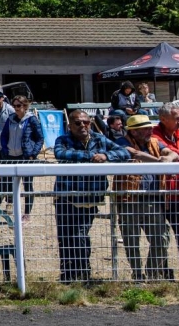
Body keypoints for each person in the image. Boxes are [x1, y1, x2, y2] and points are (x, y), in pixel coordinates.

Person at [53, 110, 131, 283]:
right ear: (70, 126)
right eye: (78, 123)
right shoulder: (63, 140)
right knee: (65, 237)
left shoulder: (99, 139)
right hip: (66, 197)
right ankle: (67, 275)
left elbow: (124, 152)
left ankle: (82, 272)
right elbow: (60, 153)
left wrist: (106, 156)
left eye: (86, 122)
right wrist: (91, 157)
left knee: (80, 234)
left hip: (90, 198)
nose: (83, 126)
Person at [114, 115, 175, 281]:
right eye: (145, 128)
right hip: (129, 200)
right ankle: (137, 275)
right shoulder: (121, 143)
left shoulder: (154, 142)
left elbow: (171, 153)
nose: (150, 131)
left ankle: (152, 273)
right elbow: (135, 154)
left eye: (150, 127)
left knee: (162, 239)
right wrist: (159, 161)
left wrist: (168, 158)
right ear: (133, 131)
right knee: (131, 240)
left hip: (153, 200)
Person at [152, 104, 179, 278]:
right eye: (177, 117)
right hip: (158, 195)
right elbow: (163, 148)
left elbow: (172, 152)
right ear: (164, 119)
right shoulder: (154, 134)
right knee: (159, 236)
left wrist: (176, 153)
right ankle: (162, 272)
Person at [1, 95, 44, 221]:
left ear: (25, 106)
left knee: (27, 185)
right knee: (8, 183)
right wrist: (5, 149)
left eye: (18, 106)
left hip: (25, 156)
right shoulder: (10, 119)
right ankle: (9, 206)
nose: (16, 108)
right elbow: (4, 136)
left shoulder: (31, 119)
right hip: (11, 156)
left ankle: (27, 213)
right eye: (14, 106)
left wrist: (33, 154)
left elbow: (40, 138)